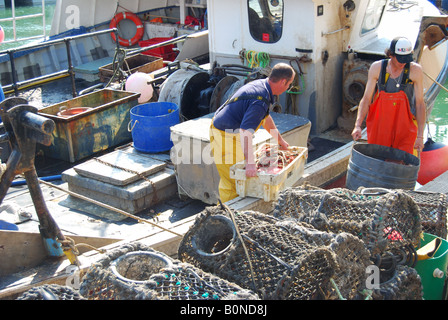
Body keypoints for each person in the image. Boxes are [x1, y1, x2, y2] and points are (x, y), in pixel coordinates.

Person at [210, 63, 294, 203]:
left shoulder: (263, 86)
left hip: (230, 131)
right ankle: (230, 214)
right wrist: (250, 163)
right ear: (283, 82)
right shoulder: (260, 99)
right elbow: (245, 132)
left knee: (238, 176)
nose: (287, 88)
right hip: (224, 135)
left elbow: (265, 119)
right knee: (234, 179)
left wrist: (280, 141)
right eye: (289, 85)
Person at [351, 37, 426, 156]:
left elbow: (420, 104)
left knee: (403, 161)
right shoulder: (377, 68)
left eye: (406, 59)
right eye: (400, 59)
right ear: (391, 55)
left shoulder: (415, 70)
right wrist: (358, 125)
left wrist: (420, 136)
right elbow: (366, 99)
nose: (403, 63)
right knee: (378, 158)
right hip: (380, 125)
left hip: (405, 127)